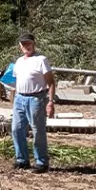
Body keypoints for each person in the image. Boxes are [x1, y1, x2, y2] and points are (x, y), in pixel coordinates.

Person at [11, 32, 57, 173]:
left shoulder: (41, 60)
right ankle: (22, 159)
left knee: (38, 131)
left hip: (36, 98)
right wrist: (13, 98)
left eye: (28, 43)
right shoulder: (19, 62)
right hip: (20, 98)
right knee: (16, 129)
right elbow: (15, 81)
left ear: (33, 43)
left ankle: (41, 161)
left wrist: (50, 102)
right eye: (23, 44)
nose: (26, 46)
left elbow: (51, 82)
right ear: (20, 46)